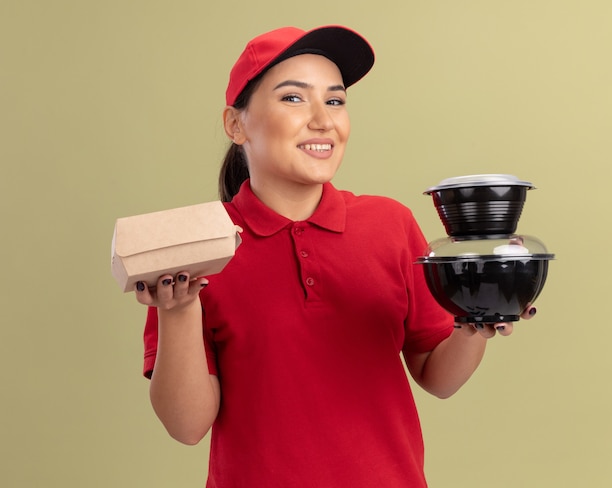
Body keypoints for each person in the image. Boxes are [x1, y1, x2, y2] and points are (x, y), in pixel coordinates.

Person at [135, 25, 536, 488]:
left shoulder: (390, 225)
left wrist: (473, 323)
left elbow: (437, 376)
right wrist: (180, 310)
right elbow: (187, 427)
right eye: (293, 98)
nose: (323, 120)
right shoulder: (198, 246)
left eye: (335, 100)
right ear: (235, 123)